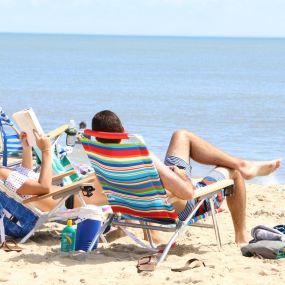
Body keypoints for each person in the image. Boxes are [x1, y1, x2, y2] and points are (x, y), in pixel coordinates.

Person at [90, 110, 282, 245]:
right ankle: (241, 235)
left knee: (181, 136)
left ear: (96, 137)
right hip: (186, 207)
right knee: (234, 174)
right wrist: (182, 176)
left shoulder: (102, 163)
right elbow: (188, 193)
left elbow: (124, 193)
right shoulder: (142, 157)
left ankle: (243, 164)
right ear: (123, 131)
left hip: (149, 206)